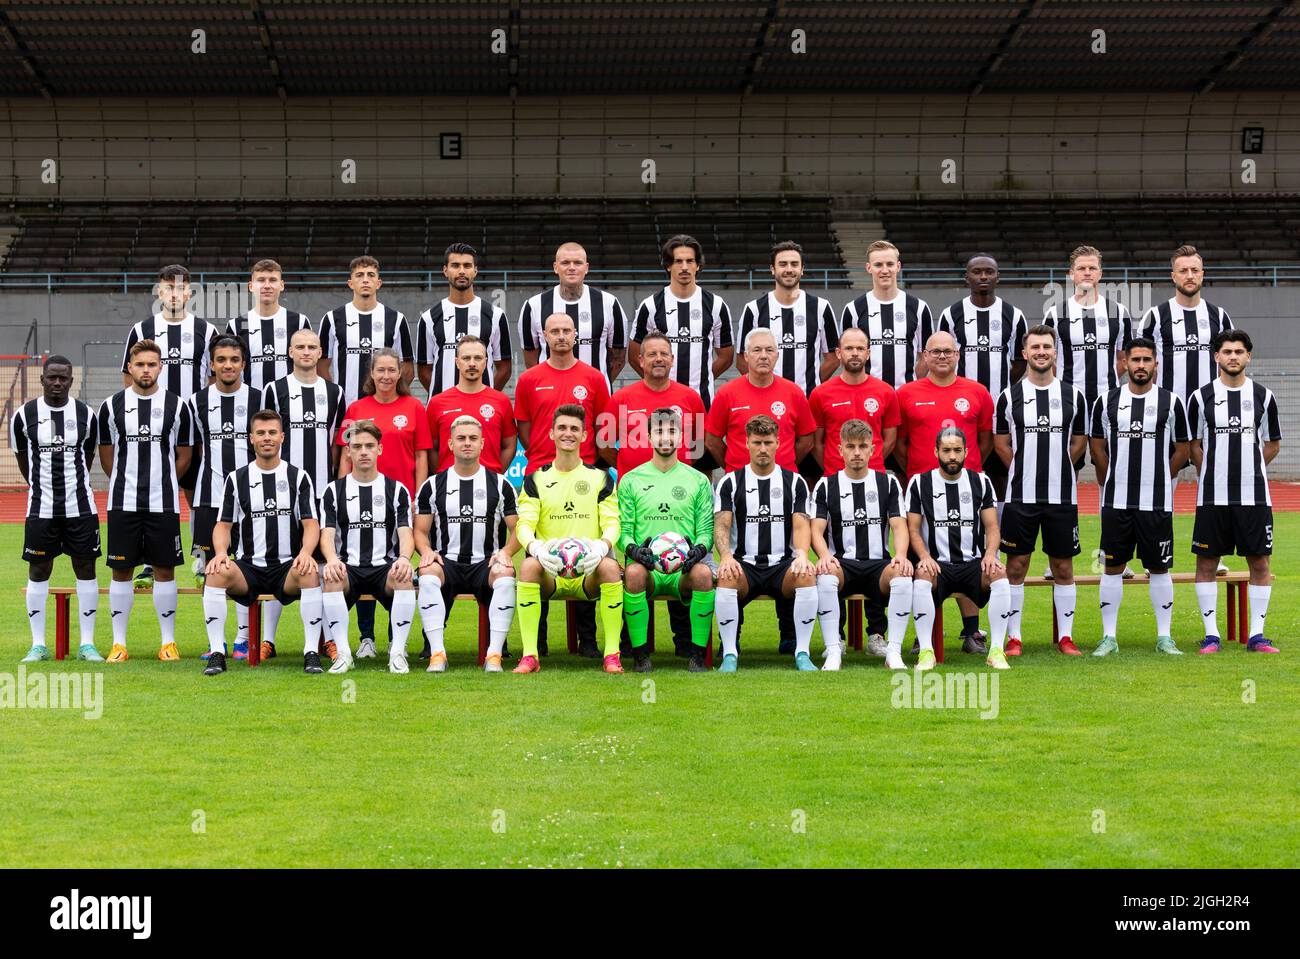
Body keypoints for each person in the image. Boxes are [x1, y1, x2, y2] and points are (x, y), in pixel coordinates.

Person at [513, 311, 612, 657]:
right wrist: (541, 454)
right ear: (543, 336)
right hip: (542, 473)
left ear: (576, 335)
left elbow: (602, 426)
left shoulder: (594, 378)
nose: (560, 336)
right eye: (553, 331)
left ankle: (587, 640)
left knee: (582, 548)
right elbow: (525, 427)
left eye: (566, 330)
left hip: (583, 474)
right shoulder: (529, 379)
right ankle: (536, 641)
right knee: (537, 552)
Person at [602, 331, 707, 656]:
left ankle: (685, 644)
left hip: (680, 493)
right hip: (639, 492)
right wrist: (629, 465)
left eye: (665, 353)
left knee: (681, 561)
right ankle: (636, 647)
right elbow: (605, 446)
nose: (659, 359)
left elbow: (700, 448)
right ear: (640, 360)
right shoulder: (621, 398)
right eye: (652, 354)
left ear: (672, 360)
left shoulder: (690, 397)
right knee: (639, 565)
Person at [199, 411, 324, 676]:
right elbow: (223, 524)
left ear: (282, 437)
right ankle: (217, 653)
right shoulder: (236, 479)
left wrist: (305, 552)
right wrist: (221, 553)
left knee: (311, 571)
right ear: (251, 438)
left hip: (286, 567)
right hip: (248, 568)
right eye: (260, 433)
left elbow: (311, 524)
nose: (266, 438)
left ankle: (311, 652)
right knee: (215, 572)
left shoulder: (298, 477)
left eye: (271, 433)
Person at [1089, 337, 1190, 656]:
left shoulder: (1171, 402)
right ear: (1125, 364)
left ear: (1156, 364)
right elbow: (1096, 445)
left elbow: (1184, 448)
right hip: (1116, 503)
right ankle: (1109, 637)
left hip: (1156, 503)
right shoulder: (1106, 401)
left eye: (1148, 360)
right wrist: (1112, 476)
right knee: (1111, 567)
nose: (1142, 365)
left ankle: (1164, 637)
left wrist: (1162, 473)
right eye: (1136, 360)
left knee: (1160, 568)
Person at [895, 329, 995, 653]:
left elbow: (984, 440)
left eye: (947, 351)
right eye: (935, 351)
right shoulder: (907, 393)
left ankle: (972, 632)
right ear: (924, 356)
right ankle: (923, 635)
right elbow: (900, 443)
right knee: (923, 563)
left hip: (967, 490)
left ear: (958, 355)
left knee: (968, 556)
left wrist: (968, 470)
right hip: (922, 493)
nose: (941, 356)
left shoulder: (977, 392)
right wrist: (919, 472)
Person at [120, 263, 218, 589]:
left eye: (180, 288)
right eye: (167, 288)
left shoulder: (206, 329)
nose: (174, 294)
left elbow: (213, 377)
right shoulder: (143, 328)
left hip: (194, 424)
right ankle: (149, 561)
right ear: (159, 292)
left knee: (197, 494)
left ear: (189, 293)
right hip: (155, 424)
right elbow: (128, 377)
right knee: (152, 492)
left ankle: (202, 557)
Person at [992, 325, 1088, 656]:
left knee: (1063, 567)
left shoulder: (1073, 395)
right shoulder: (1010, 396)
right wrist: (1022, 466)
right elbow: (1001, 443)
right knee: (1016, 566)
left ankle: (1065, 637)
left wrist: (1060, 464)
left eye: (1047, 346)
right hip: (1021, 498)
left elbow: (1079, 442)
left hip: (1062, 498)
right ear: (1025, 353)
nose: (1041, 351)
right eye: (1035, 347)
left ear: (1055, 352)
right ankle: (1014, 638)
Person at [98, 339, 193, 663]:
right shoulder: (111, 407)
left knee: (165, 569)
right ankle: (119, 643)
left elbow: (184, 455)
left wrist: (162, 481)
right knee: (121, 570)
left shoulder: (177, 406)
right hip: (122, 503)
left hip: (163, 503)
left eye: (152, 364)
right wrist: (128, 481)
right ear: (130, 368)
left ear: (160, 367)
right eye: (140, 365)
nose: (146, 370)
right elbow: (108, 458)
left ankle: (168, 642)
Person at [512, 405, 625, 675]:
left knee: (611, 567)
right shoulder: (535, 479)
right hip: (551, 569)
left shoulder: (600, 478)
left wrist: (602, 547)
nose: (568, 433)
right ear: (551, 434)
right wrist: (536, 549)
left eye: (574, 429)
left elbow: (612, 522)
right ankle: (530, 656)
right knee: (527, 567)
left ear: (585, 435)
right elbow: (524, 525)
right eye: (562, 428)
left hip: (588, 570)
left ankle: (612, 654)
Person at [808, 326, 901, 656]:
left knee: (875, 551)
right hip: (836, 485)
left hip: (874, 483)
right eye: (849, 348)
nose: (855, 354)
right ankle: (839, 637)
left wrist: (871, 466)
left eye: (860, 348)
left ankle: (877, 634)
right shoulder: (822, 393)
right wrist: (836, 470)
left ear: (869, 352)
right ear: (838, 353)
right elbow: (817, 442)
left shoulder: (885, 392)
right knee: (835, 554)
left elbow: (889, 438)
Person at [1187, 330, 1281, 654]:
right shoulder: (1200, 398)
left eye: (1239, 351)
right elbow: (1194, 446)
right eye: (1227, 351)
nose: (1233, 357)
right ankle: (1211, 635)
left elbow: (1272, 444)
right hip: (1212, 497)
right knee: (1207, 563)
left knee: (1260, 562)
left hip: (1254, 496)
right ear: (1216, 357)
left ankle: (1257, 635)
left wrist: (1250, 468)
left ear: (1248, 356)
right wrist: (1212, 470)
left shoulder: (1263, 397)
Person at [337, 347, 432, 659]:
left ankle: (396, 640)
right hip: (362, 499)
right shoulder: (356, 408)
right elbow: (345, 456)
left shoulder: (414, 407)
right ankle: (366, 637)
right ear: (372, 374)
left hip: (400, 502)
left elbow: (421, 456)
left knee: (397, 566)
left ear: (401, 373)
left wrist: (419, 496)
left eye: (393, 370)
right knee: (364, 561)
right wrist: (341, 492)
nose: (387, 376)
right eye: (381, 370)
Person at [261, 327, 347, 656]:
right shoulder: (274, 389)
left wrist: (336, 486)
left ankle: (326, 638)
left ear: (320, 351)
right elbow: (264, 434)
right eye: (300, 347)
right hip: (284, 489)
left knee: (323, 564)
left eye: (312, 347)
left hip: (322, 492)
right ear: (290, 352)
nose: (307, 352)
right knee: (277, 559)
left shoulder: (334, 392)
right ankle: (268, 639)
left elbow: (338, 445)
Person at [12, 355, 102, 662]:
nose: (57, 383)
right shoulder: (25, 415)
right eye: (52, 377)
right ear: (42, 379)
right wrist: (42, 486)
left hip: (81, 507)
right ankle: (38, 644)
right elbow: (24, 459)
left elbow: (87, 457)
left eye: (63, 378)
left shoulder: (86, 415)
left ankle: (87, 644)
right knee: (38, 569)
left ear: (71, 381)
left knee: (86, 568)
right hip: (41, 508)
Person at [414, 415, 520, 673]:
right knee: (427, 572)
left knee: (505, 574)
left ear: (483, 443)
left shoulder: (501, 484)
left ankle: (494, 655)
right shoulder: (432, 485)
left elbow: (518, 529)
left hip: (485, 563)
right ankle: (437, 654)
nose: (467, 443)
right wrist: (427, 551)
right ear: (450, 444)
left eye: (473, 438)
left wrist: (505, 552)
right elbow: (419, 530)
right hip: (447, 562)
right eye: (461, 438)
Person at [712, 415, 818, 672]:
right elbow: (722, 525)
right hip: (743, 565)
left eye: (768, 442)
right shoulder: (730, 482)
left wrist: (802, 554)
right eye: (757, 442)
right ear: (746, 443)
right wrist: (725, 556)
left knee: (805, 575)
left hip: (782, 565)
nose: (762, 448)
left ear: (778, 443)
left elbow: (802, 523)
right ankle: (729, 654)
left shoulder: (794, 482)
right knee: (726, 577)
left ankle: (802, 652)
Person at [618, 408, 715, 673]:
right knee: (633, 573)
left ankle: (696, 656)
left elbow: (707, 530)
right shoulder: (631, 480)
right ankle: (640, 656)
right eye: (659, 431)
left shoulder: (698, 481)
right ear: (649, 436)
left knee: (705, 575)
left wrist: (699, 550)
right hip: (649, 568)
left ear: (681, 436)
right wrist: (635, 551)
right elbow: (622, 531)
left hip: (683, 570)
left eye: (671, 431)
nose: (665, 438)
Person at [906, 428, 1012, 670]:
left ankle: (996, 650)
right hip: (938, 565)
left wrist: (989, 555)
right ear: (936, 452)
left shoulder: (981, 481)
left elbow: (993, 527)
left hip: (972, 564)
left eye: (956, 450)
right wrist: (924, 557)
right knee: (922, 575)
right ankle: (926, 652)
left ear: (965, 451)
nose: (951, 456)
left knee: (999, 573)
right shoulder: (919, 483)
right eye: (946, 451)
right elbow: (913, 529)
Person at [811, 419, 913, 671]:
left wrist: (901, 555)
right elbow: (816, 529)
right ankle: (834, 647)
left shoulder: (887, 483)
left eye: (862, 446)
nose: (856, 452)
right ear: (840, 450)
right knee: (824, 573)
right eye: (851, 446)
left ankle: (893, 650)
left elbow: (899, 526)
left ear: (872, 449)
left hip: (878, 564)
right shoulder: (826, 485)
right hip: (842, 564)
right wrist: (824, 555)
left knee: (901, 572)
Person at [318, 421, 417, 674]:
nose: (363, 451)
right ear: (348, 451)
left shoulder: (397, 491)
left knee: (405, 578)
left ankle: (397, 653)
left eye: (369, 446)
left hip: (384, 567)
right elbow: (326, 534)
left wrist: (404, 558)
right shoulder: (333, 491)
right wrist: (331, 559)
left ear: (379, 450)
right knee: (331, 579)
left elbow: (406, 533)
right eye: (357, 446)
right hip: (348, 567)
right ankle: (343, 654)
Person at [935, 253, 1027, 499]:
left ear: (998, 277)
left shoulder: (1014, 315)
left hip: (1001, 408)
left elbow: (1019, 361)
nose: (983, 276)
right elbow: (942, 357)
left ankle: (998, 529)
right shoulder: (951, 314)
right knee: (961, 466)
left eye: (989, 271)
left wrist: (1001, 386)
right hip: (961, 407)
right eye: (977, 272)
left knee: (1000, 473)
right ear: (967, 277)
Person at [187, 335, 256, 660]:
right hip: (208, 500)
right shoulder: (196, 402)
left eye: (234, 359)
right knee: (208, 570)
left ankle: (244, 639)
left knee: (245, 568)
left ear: (243, 363)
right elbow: (192, 453)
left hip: (251, 502)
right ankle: (216, 642)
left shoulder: (258, 399)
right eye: (221, 359)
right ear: (212, 365)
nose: (227, 365)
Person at [629, 234, 734, 417]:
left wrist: (704, 379)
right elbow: (634, 355)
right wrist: (657, 380)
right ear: (668, 265)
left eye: (690, 261)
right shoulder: (651, 306)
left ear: (698, 265)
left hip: (702, 403)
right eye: (678, 261)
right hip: (659, 402)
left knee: (699, 446)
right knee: (659, 445)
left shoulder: (716, 305)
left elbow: (726, 356)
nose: (684, 267)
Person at [736, 240, 839, 397]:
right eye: (783, 264)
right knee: (692, 422)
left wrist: (812, 383)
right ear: (772, 269)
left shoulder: (821, 307)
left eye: (794, 264)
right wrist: (762, 386)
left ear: (802, 269)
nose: (789, 269)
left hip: (808, 400)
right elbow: (742, 360)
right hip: (767, 399)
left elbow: (833, 358)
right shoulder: (754, 309)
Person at [518, 242, 627, 388]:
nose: (571, 268)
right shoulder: (534, 305)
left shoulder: (609, 303)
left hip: (595, 397)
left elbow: (618, 358)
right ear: (555, 267)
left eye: (577, 263)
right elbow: (531, 360)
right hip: (551, 395)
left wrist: (596, 387)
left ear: (586, 268)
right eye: (565, 263)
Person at [415, 242, 512, 395]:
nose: (461, 271)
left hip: (482, 406)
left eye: (467, 266)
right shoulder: (429, 318)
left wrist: (486, 394)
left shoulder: (495, 315)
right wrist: (444, 398)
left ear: (475, 271)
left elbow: (505, 367)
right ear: (445, 270)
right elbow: (423, 370)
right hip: (443, 408)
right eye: (455, 265)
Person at [318, 255, 414, 407]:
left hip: (383, 405)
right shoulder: (332, 319)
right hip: (345, 406)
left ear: (378, 283)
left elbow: (407, 368)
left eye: (371, 275)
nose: (365, 280)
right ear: (350, 283)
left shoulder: (396, 319)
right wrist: (334, 394)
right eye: (359, 275)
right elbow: (320, 365)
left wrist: (389, 394)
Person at [839, 240, 936, 390]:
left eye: (890, 264)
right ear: (869, 268)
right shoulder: (853, 309)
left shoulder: (919, 308)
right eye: (878, 265)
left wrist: (910, 386)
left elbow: (926, 356)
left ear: (898, 266)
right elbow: (846, 356)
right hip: (867, 395)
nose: (885, 270)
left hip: (906, 395)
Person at [425, 335, 516, 474]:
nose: (472, 363)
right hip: (449, 488)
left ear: (485, 362)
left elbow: (509, 445)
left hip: (489, 488)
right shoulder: (437, 403)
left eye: (478, 358)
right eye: (466, 358)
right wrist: (445, 475)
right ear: (457, 362)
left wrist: (492, 476)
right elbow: (431, 448)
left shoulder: (501, 402)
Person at [226, 258, 312, 393]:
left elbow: (309, 364)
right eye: (261, 280)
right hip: (250, 400)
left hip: (290, 398)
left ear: (282, 285)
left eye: (272, 280)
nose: (267, 285)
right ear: (250, 286)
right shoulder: (236, 325)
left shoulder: (299, 322)